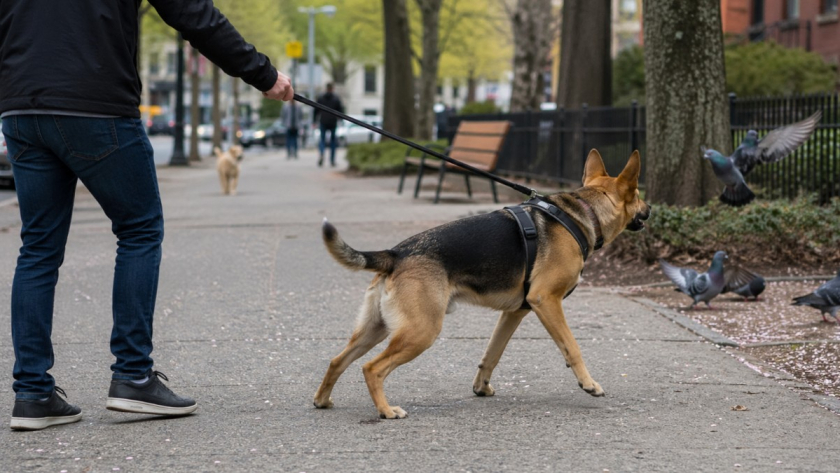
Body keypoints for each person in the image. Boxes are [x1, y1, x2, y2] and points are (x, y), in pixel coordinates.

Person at [0, 0, 293, 431]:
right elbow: (194, 14)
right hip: (96, 104)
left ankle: (32, 393)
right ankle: (133, 376)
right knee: (139, 230)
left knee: (39, 247)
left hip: (21, 106)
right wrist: (263, 74)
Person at [313, 83, 344, 167]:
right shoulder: (336, 98)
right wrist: (340, 119)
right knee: (333, 141)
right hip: (333, 121)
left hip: (323, 120)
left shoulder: (321, 98)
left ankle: (322, 153)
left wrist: (314, 121)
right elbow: (340, 110)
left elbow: (316, 110)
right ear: (332, 89)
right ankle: (332, 160)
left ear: (326, 88)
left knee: (322, 140)